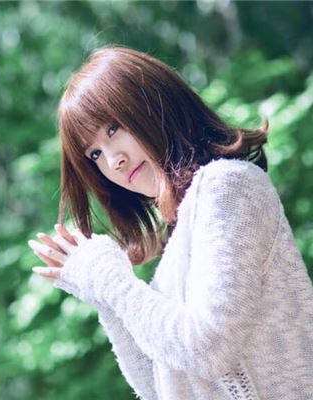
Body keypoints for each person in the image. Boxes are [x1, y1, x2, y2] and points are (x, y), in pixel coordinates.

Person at [27, 46, 313, 400]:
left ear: (153, 103)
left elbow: (209, 350)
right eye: (95, 154)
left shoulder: (227, 186)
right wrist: (104, 297)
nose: (113, 161)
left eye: (113, 129)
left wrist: (109, 282)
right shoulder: (179, 240)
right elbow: (159, 387)